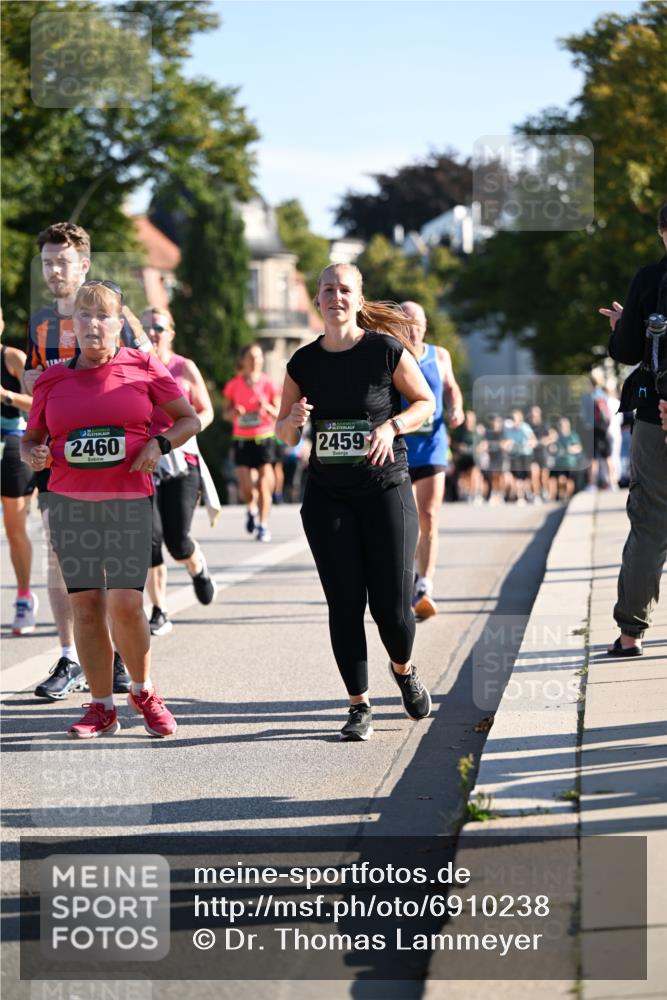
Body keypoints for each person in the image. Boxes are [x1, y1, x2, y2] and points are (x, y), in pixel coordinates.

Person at [21, 281, 200, 738]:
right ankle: (101, 707)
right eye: (84, 316)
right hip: (70, 504)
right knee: (85, 608)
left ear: (119, 323)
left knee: (125, 603)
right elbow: (32, 439)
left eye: (103, 316)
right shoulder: (53, 379)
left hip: (126, 503)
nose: (93, 324)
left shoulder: (142, 366)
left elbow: (189, 419)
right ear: (72, 325)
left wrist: (158, 445)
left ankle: (142, 690)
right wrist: (33, 454)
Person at [276, 263, 435, 742]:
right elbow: (282, 429)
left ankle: (403, 670)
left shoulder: (384, 351)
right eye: (328, 289)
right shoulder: (303, 363)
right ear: (318, 299)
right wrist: (295, 419)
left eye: (345, 289)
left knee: (392, 607)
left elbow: (424, 403)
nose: (336, 296)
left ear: (359, 299)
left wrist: (391, 426)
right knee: (345, 602)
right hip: (328, 496)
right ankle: (358, 705)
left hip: (386, 488)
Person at [24, 222, 150, 699]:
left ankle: (119, 656)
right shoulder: (38, 321)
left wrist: (151, 443)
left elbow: (146, 378)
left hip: (117, 467)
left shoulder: (121, 317)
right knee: (60, 556)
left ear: (84, 265)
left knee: (111, 573)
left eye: (63, 262)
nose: (55, 270)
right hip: (59, 460)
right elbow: (31, 390)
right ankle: (71, 656)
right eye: (48, 263)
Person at [598, 201, 667, 657]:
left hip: (653, 417)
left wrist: (624, 325)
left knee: (650, 522)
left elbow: (624, 352)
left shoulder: (649, 279)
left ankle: (631, 634)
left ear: (662, 231)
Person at [141, 307, 218, 636]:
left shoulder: (183, 367)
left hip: (180, 461)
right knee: (149, 540)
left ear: (171, 332)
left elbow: (206, 410)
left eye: (159, 326)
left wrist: (183, 432)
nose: (153, 332)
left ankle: (197, 566)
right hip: (144, 463)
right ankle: (159, 609)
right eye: (146, 328)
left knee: (177, 541)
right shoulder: (133, 367)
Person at [399, 301, 464, 619]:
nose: (414, 327)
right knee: (404, 520)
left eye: (419, 322)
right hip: (399, 448)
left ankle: (425, 583)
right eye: (407, 321)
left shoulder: (439, 355)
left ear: (425, 325)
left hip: (433, 445)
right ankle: (407, 576)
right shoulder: (392, 354)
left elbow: (451, 388)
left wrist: (456, 407)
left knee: (429, 516)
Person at [1, 308, 38, 634]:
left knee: (14, 530)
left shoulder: (12, 357)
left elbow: (40, 401)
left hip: (11, 446)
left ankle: (24, 596)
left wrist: (6, 396)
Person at [222, 344, 281, 542]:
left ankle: (263, 526)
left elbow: (279, 413)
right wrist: (235, 413)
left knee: (264, 484)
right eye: (251, 357)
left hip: (264, 438)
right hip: (241, 439)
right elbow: (226, 414)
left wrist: (267, 408)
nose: (255, 361)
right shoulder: (233, 385)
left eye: (258, 357)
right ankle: (251, 508)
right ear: (243, 361)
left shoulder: (269, 384)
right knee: (246, 487)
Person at [451, 410, 484, 503]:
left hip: (473, 458)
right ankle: (464, 494)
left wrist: (479, 448)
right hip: (462, 459)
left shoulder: (477, 432)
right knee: (462, 478)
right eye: (467, 419)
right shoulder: (460, 432)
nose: (469, 421)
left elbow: (483, 444)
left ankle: (473, 495)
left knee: (474, 473)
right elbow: (454, 444)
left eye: (471, 419)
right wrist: (459, 447)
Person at [504, 409, 537, 504]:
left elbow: (533, 440)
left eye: (516, 419)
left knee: (526, 477)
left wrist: (529, 444)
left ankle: (529, 493)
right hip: (515, 455)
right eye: (513, 419)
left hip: (526, 454)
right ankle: (520, 496)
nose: (514, 421)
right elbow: (507, 441)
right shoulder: (509, 429)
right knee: (517, 477)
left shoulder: (525, 427)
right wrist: (508, 445)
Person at [546, 417, 583, 501]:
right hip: (559, 464)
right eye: (561, 425)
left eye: (565, 425)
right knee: (557, 480)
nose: (563, 427)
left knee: (568, 481)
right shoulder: (557, 437)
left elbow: (578, 448)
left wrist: (567, 449)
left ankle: (567, 496)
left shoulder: (573, 436)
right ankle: (560, 496)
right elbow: (552, 448)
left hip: (570, 463)